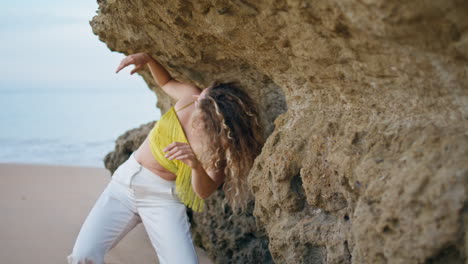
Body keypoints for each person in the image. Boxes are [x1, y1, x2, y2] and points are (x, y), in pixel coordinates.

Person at [66, 52, 264, 264]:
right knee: (82, 256)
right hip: (125, 184)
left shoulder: (220, 147)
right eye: (202, 94)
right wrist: (148, 60)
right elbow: (166, 82)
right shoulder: (190, 97)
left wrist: (195, 166)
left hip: (162, 199)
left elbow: (204, 191)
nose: (196, 97)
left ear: (215, 119)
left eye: (202, 102)